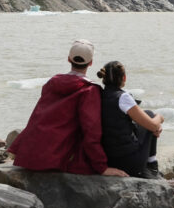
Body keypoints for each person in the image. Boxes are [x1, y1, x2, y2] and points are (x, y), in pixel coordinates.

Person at [8, 39, 127, 176]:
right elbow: (91, 132)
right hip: (56, 158)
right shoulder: (89, 90)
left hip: (30, 155)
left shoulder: (52, 82)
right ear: (91, 63)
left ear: (69, 59)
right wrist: (102, 167)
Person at [97, 60, 164, 179]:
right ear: (124, 78)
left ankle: (150, 165)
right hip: (130, 164)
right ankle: (151, 166)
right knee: (151, 116)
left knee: (146, 115)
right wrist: (160, 118)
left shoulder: (98, 95)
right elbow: (153, 125)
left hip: (109, 161)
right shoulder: (123, 97)